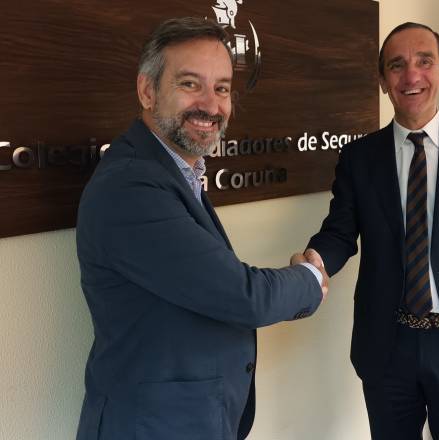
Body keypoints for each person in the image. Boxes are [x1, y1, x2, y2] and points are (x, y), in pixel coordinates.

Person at [76, 17, 328, 440]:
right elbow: (242, 296)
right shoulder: (130, 187)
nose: (211, 105)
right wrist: (310, 280)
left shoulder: (173, 172)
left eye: (222, 88)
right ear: (147, 91)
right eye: (190, 84)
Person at [300, 22, 439, 439]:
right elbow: (340, 232)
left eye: (424, 62)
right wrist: (314, 261)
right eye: (397, 65)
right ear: (383, 80)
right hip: (388, 344)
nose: (411, 76)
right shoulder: (359, 157)